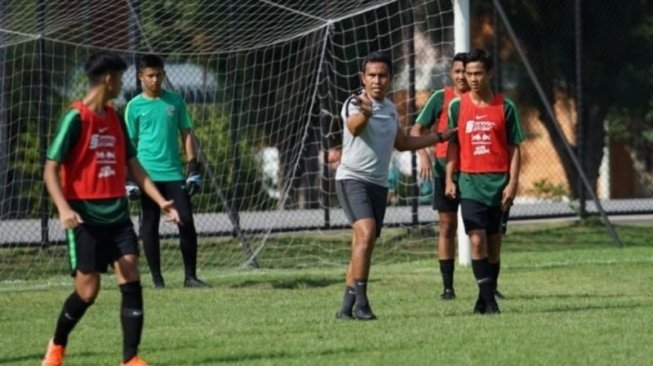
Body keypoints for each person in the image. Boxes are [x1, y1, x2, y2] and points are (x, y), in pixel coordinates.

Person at [41, 51, 180, 366]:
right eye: (119, 78)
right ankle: (57, 345)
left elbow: (134, 166)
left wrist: (162, 202)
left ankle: (130, 359)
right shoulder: (75, 118)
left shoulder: (115, 117)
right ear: (108, 79)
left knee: (130, 274)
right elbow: (50, 168)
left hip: (117, 217)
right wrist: (63, 209)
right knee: (87, 292)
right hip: (85, 220)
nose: (121, 84)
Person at [335, 51, 456, 320]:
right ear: (362, 78)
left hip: (378, 185)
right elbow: (354, 127)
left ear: (390, 78)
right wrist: (365, 114)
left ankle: (345, 308)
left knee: (362, 242)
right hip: (352, 179)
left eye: (382, 75)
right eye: (372, 75)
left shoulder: (389, 108)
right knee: (365, 233)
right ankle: (362, 303)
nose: (377, 80)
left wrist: (438, 137)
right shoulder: (354, 103)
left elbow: (402, 143)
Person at [445, 49, 525, 314]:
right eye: (469, 74)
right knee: (476, 240)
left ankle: (484, 296)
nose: (473, 79)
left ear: (490, 73)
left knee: (494, 244)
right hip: (469, 182)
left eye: (478, 73)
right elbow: (453, 146)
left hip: (499, 184)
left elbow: (514, 147)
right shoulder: (457, 106)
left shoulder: (506, 106)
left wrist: (513, 183)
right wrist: (450, 177)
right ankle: (490, 301)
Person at [125, 54, 209, 289]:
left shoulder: (175, 102)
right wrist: (128, 179)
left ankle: (190, 277)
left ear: (164, 74)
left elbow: (186, 133)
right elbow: (128, 144)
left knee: (186, 221)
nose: (155, 79)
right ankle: (157, 279)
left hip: (173, 173)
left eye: (158, 74)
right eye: (150, 75)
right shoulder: (133, 107)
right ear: (141, 77)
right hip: (146, 176)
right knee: (149, 225)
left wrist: (193, 167)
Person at [410, 52, 468, 300]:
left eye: (467, 71)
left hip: (475, 172)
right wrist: (423, 154)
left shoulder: (483, 101)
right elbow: (416, 129)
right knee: (447, 226)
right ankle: (448, 287)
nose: (462, 76)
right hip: (444, 170)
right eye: (457, 71)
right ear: (451, 73)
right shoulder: (440, 97)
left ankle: (489, 284)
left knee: (482, 229)